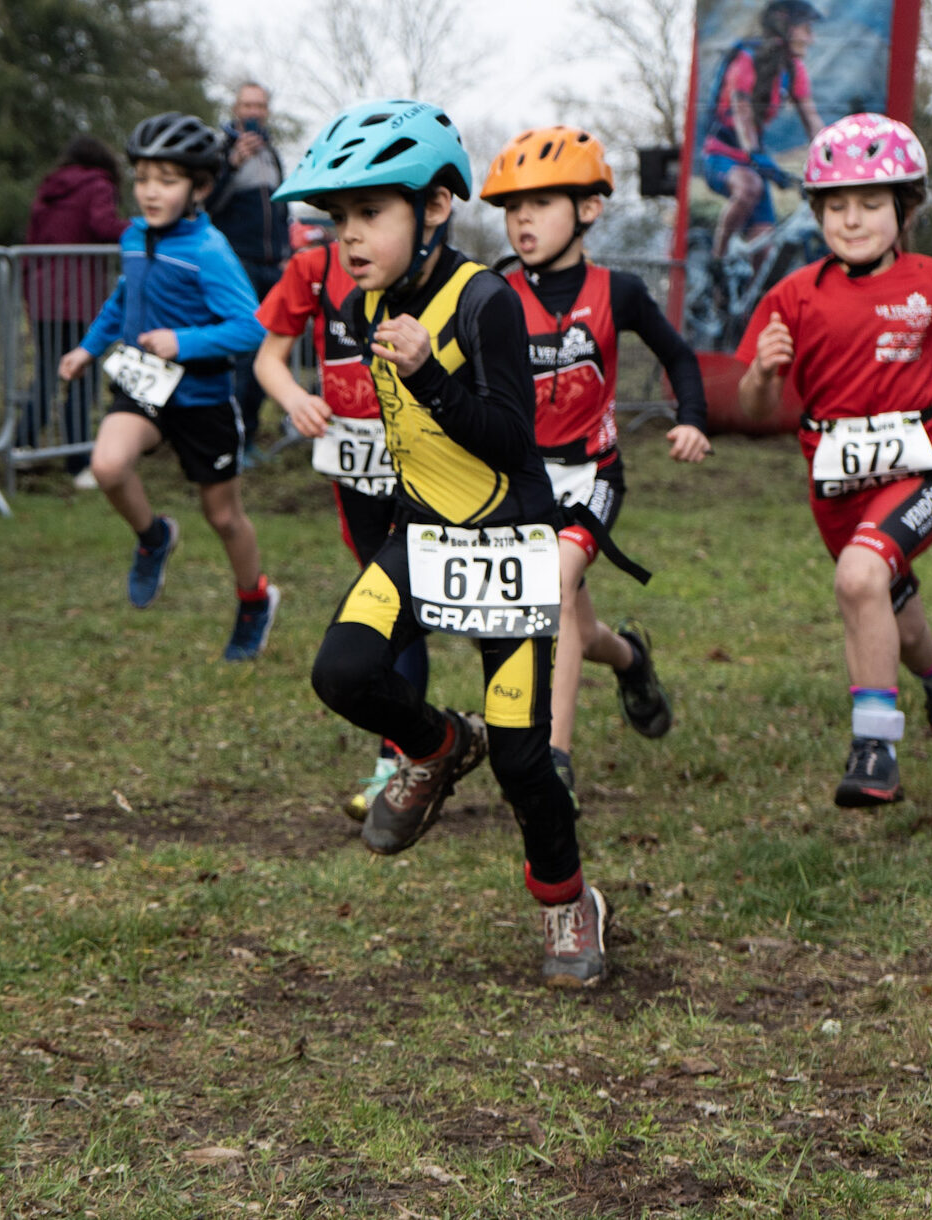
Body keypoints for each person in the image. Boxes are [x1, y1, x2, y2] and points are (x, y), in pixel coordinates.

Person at [272, 98, 608, 988]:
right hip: (420, 536)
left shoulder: (485, 301)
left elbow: (508, 438)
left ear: (433, 208)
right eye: (338, 218)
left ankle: (568, 903)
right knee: (341, 674)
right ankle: (431, 746)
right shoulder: (358, 305)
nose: (348, 237)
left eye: (370, 213)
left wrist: (426, 373)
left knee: (525, 760)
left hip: (510, 548)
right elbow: (398, 444)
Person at [735, 112, 932, 807]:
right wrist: (761, 377)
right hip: (833, 485)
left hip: (917, 473)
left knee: (860, 576)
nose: (852, 218)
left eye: (871, 203)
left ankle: (874, 746)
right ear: (815, 212)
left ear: (906, 207)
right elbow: (752, 415)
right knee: (890, 611)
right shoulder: (793, 295)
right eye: (836, 205)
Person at [479, 126, 711, 810]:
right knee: (579, 627)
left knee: (551, 590)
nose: (522, 219)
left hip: (590, 477)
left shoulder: (621, 291)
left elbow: (680, 356)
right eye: (512, 207)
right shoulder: (490, 294)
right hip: (519, 486)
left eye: (542, 202)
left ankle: (552, 760)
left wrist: (691, 417)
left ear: (589, 209)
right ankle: (631, 659)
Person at [58, 112, 278, 661]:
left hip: (202, 399)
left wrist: (184, 342)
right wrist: (88, 348)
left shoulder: (208, 249)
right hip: (144, 389)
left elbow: (252, 325)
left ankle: (255, 599)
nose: (151, 192)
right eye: (143, 178)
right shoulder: (133, 238)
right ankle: (154, 536)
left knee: (223, 517)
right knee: (107, 465)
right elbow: (121, 301)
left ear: (200, 187)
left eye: (168, 180)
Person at [253, 236, 432, 813]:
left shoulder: (431, 266)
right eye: (340, 213)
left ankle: (401, 757)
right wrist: (295, 400)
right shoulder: (312, 267)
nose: (353, 227)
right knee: (385, 597)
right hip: (351, 460)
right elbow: (268, 358)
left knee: (398, 604)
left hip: (425, 460)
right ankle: (414, 753)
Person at [24, 135, 129, 486]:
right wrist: (141, 230)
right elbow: (103, 225)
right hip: (78, 295)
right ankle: (79, 460)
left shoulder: (49, 188)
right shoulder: (99, 185)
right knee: (81, 376)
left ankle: (24, 445)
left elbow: (32, 240)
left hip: (43, 293)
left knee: (48, 371)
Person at [702, 0, 824, 264]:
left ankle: (747, 303)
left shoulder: (794, 70)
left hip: (752, 160)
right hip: (721, 154)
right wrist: (754, 152)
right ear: (784, 26)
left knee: (765, 246)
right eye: (806, 30)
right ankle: (717, 260)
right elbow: (742, 111)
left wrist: (832, 151)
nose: (811, 39)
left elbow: (811, 117)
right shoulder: (746, 59)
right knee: (749, 187)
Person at [207, 81, 291, 462]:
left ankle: (249, 436)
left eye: (260, 105)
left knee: (267, 351)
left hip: (272, 264)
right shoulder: (221, 151)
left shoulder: (273, 153)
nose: (253, 111)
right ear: (235, 108)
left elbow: (281, 208)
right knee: (243, 350)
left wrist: (287, 252)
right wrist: (231, 165)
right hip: (236, 262)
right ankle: (230, 439)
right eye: (247, 105)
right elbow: (208, 204)